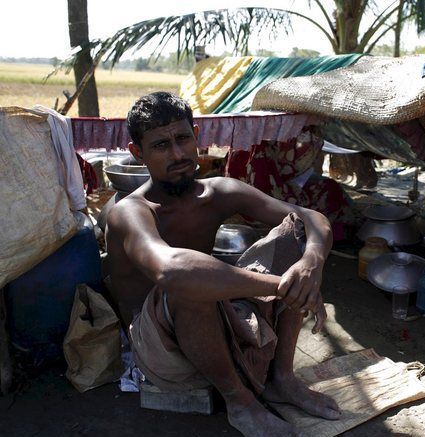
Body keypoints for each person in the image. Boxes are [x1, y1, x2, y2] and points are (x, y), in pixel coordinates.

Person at [105, 92, 341, 437]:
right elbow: (171, 270)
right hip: (160, 350)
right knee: (187, 283)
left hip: (212, 318)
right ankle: (240, 403)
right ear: (137, 153)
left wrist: (310, 264)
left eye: (183, 139)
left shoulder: (218, 192)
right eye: (160, 146)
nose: (178, 154)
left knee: (294, 236)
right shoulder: (129, 211)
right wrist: (281, 287)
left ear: (196, 134)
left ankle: (282, 379)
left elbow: (311, 219)